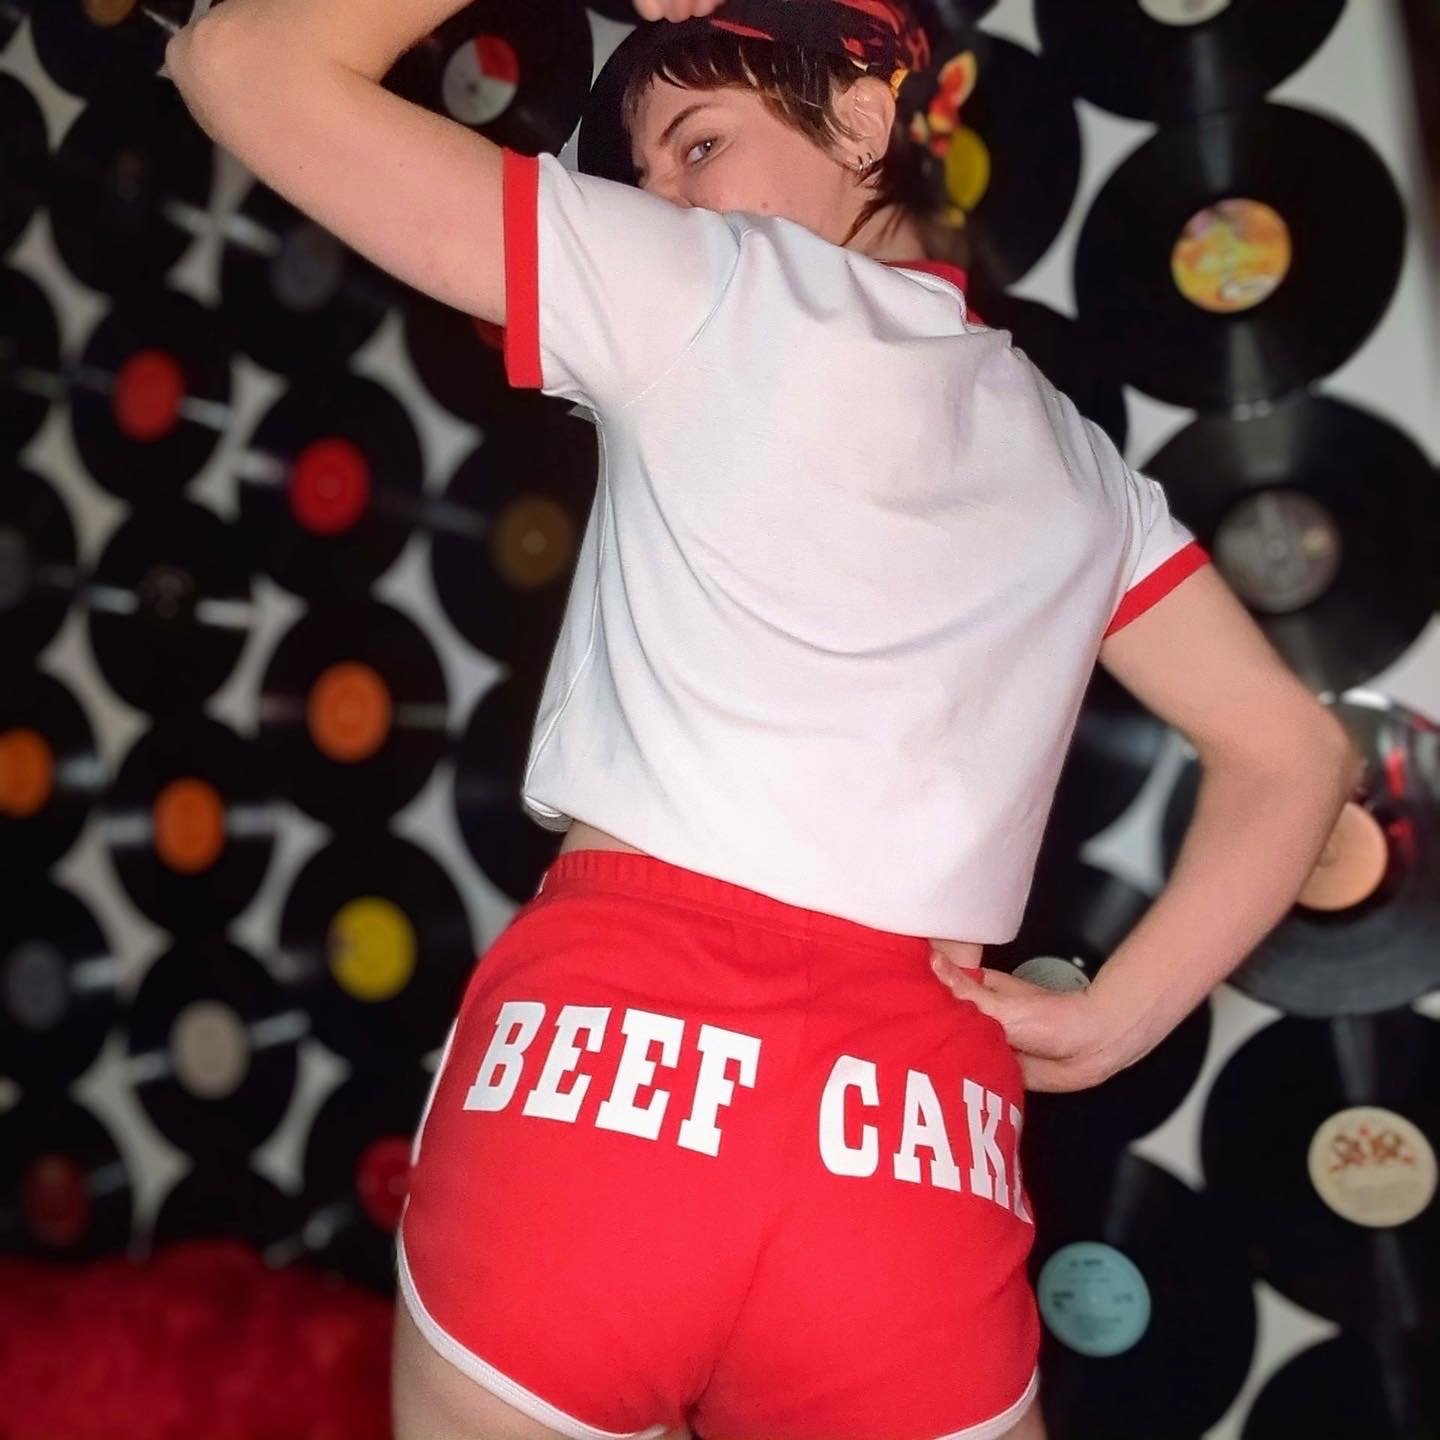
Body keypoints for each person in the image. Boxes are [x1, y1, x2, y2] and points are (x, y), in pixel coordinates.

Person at [164, 1, 1362, 1437]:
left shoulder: (699, 280)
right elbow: (1296, 753)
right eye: (643, 174)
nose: (660, 197)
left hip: (603, 1080)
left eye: (697, 144)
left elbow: (239, 61)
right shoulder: (1083, 465)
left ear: (861, 117)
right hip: (914, 1140)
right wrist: (1118, 1018)